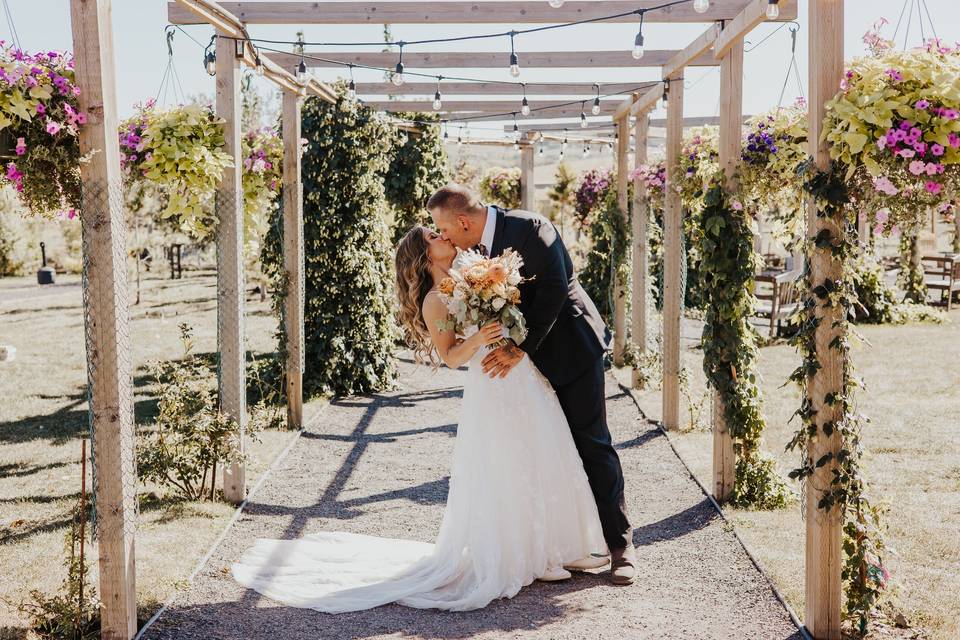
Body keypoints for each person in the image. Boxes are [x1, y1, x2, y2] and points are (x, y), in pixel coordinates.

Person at [232, 223, 611, 613]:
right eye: (433, 236)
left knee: (546, 446)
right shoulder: (435, 300)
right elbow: (450, 356)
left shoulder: (474, 271)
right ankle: (533, 555)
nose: (443, 235)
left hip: (520, 373)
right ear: (424, 255)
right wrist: (480, 339)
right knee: (509, 461)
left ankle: (563, 545)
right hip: (491, 383)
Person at [426, 185, 634, 582]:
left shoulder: (531, 228)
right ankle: (552, 546)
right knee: (540, 452)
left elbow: (555, 289)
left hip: (570, 351)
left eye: (443, 228)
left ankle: (621, 546)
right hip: (519, 373)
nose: (443, 236)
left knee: (591, 443)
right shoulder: (465, 255)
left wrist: (521, 348)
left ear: (464, 222)